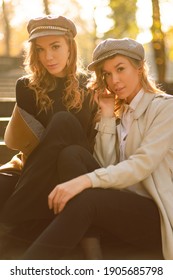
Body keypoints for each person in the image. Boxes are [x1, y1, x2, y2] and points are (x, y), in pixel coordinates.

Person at [21, 37, 173, 260]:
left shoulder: (165, 108)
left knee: (87, 199)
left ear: (139, 68)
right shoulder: (123, 113)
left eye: (120, 69)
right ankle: (91, 253)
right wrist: (108, 115)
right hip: (119, 210)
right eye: (107, 74)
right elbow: (106, 164)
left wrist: (83, 181)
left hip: (155, 218)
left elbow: (141, 165)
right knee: (72, 153)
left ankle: (26, 268)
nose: (114, 80)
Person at [0, 15, 98, 259]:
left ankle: (11, 219)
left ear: (70, 47)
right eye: (41, 49)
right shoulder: (26, 87)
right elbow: (35, 143)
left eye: (55, 47)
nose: (48, 57)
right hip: (40, 168)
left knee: (64, 123)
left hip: (78, 164)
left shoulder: (89, 84)